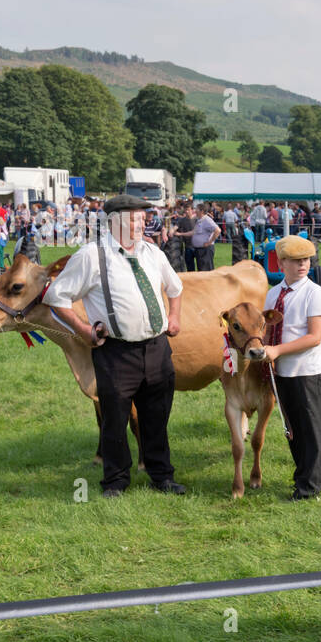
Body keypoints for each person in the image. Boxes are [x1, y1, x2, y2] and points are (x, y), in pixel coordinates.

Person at [44, 195, 185, 498]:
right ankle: (116, 481)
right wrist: (82, 330)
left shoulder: (152, 252)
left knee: (157, 415)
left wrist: (174, 317)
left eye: (142, 218)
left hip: (158, 347)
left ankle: (162, 476)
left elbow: (176, 287)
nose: (140, 223)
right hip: (116, 351)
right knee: (115, 419)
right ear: (113, 223)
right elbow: (56, 296)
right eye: (132, 219)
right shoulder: (91, 255)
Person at [262, 236, 321, 501]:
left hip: (306, 372)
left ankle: (309, 487)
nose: (303, 265)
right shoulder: (273, 294)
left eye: (306, 260)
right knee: (292, 429)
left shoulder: (314, 293)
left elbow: (314, 337)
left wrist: (277, 350)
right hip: (281, 372)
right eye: (296, 260)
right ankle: (301, 477)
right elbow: (267, 330)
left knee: (310, 430)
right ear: (282, 263)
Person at [190, 205, 221, 271]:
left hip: (206, 250)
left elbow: (218, 230)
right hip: (200, 250)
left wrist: (209, 242)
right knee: (201, 270)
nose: (195, 211)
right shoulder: (200, 220)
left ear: (202, 211)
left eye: (197, 209)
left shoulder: (207, 220)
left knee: (206, 271)